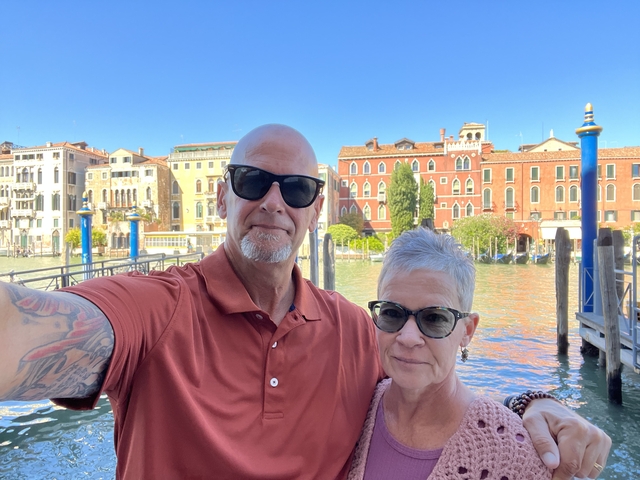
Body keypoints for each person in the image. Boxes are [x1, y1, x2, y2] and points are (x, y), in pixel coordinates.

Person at [0, 124, 610, 479]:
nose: (273, 201)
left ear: (316, 210)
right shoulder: (159, 307)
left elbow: (428, 379)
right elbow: (37, 331)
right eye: (251, 182)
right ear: (222, 198)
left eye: (295, 188)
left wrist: (534, 401)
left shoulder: (353, 328)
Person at [349, 228, 606, 479]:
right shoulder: (356, 410)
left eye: (435, 318)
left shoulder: (519, 457)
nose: (408, 337)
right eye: (392, 313)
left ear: (468, 331)